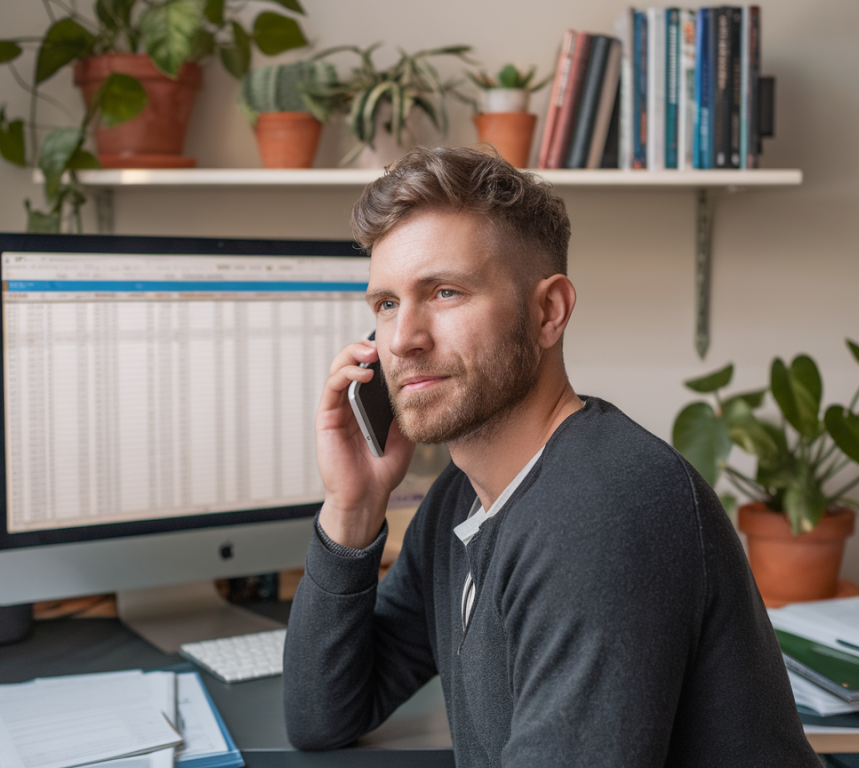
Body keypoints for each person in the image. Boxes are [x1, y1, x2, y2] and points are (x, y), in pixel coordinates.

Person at [283, 146, 819, 766]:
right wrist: (352, 507)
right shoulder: (462, 498)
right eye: (386, 304)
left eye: (447, 292)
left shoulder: (604, 511)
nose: (403, 339)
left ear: (548, 311)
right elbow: (321, 716)